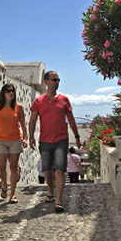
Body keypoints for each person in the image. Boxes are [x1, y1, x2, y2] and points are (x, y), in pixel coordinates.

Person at [29, 71, 81, 213]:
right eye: (54, 79)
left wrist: (76, 136)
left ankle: (58, 200)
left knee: (60, 169)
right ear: (46, 81)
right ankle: (50, 191)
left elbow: (71, 119)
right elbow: (32, 120)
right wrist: (31, 136)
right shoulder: (39, 101)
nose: (57, 82)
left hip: (61, 140)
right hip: (44, 140)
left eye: (58, 80)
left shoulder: (64, 99)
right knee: (47, 169)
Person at [0, 83, 28, 203]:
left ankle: (13, 194)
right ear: (4, 93)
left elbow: (23, 125)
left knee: (13, 167)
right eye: (8, 91)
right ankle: (4, 184)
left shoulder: (18, 107)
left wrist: (25, 138)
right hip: (0, 140)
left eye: (12, 91)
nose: (11, 93)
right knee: (1, 167)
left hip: (15, 139)